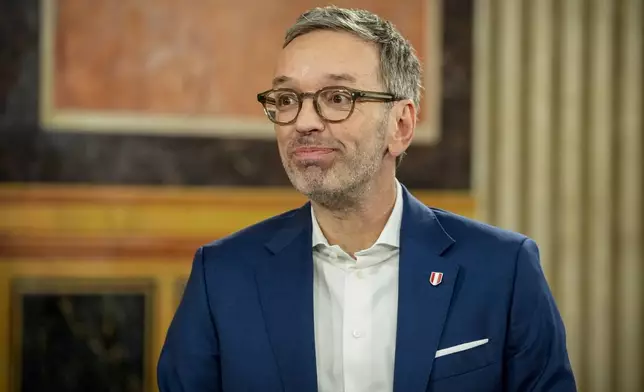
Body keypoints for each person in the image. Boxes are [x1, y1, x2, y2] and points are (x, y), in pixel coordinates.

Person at [157, 6, 576, 392]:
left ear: (401, 125)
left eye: (338, 98)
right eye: (286, 99)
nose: (303, 122)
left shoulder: (504, 268)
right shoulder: (223, 275)